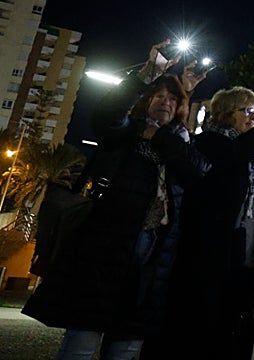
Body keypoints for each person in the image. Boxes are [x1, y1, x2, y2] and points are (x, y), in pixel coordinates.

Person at [23, 42, 209, 360]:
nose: (166, 102)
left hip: (151, 263)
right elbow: (108, 113)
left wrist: (160, 133)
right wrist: (148, 73)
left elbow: (199, 171)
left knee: (126, 348)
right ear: (145, 101)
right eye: (159, 96)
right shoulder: (125, 133)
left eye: (172, 98)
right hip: (104, 252)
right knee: (81, 345)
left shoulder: (178, 142)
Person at [163, 85, 254, 360]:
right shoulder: (211, 143)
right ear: (227, 113)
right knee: (196, 325)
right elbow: (236, 154)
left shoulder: (252, 157)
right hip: (204, 250)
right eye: (247, 110)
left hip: (236, 253)